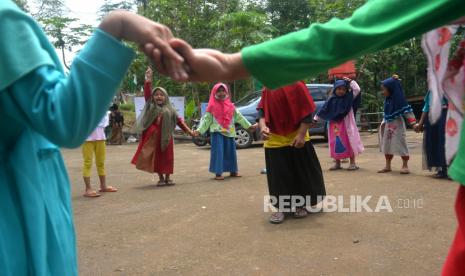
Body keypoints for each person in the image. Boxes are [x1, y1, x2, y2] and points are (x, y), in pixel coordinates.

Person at [0, 1, 186, 274]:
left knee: (104, 161)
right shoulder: (4, 18)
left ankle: (126, 181)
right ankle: (99, 185)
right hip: (17, 221)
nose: (159, 97)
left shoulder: (169, 108)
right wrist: (117, 25)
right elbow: (65, 118)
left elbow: (178, 119)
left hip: (155, 140)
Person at [258, 81, 326, 224]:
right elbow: (262, 111)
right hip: (274, 138)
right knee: (278, 176)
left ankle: (301, 205)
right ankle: (281, 208)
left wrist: (301, 134)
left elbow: (307, 112)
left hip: (297, 135)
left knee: (300, 172)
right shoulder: (268, 86)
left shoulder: (297, 84)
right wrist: (263, 126)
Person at [131, 67, 194, 186]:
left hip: (167, 138)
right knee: (158, 158)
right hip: (154, 137)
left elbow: (180, 121)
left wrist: (189, 131)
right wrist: (148, 80)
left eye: (162, 95)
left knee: (168, 157)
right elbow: (147, 94)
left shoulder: (170, 109)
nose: (159, 97)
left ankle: (168, 178)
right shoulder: (152, 106)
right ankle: (160, 178)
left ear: (166, 97)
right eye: (156, 95)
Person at [193, 83, 256, 180]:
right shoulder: (211, 107)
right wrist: (199, 130)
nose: (221, 93)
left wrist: (248, 126)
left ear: (226, 92)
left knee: (231, 152)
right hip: (217, 133)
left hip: (229, 132)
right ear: (214, 92)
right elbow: (206, 120)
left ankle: (233, 171)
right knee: (218, 153)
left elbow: (239, 117)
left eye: (223, 91)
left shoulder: (231, 106)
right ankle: (218, 173)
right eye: (219, 91)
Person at [315, 78, 364, 170]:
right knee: (335, 142)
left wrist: (350, 82)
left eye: (343, 89)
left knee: (349, 141)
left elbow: (357, 89)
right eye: (339, 89)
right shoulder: (331, 99)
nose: (341, 91)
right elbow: (323, 110)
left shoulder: (349, 98)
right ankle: (337, 163)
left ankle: (352, 163)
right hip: (334, 125)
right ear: (335, 89)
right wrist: (315, 119)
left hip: (346, 125)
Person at [377, 75, 417, 174]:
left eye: (384, 90)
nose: (383, 92)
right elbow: (386, 113)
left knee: (401, 143)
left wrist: (414, 124)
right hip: (388, 125)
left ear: (391, 88)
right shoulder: (387, 100)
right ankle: (387, 165)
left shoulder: (400, 101)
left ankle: (405, 165)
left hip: (397, 126)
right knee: (387, 144)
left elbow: (407, 112)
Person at [82, 113, 118, 197]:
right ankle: (88, 189)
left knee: (101, 163)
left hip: (101, 138)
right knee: (87, 163)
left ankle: (103, 186)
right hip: (87, 139)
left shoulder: (103, 108)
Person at [414, 91, 449, 179]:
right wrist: (420, 123)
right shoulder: (430, 92)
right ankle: (442, 170)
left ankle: (450, 170)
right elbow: (426, 107)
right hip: (432, 117)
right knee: (434, 142)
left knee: (444, 142)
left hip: (445, 115)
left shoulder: (447, 87)